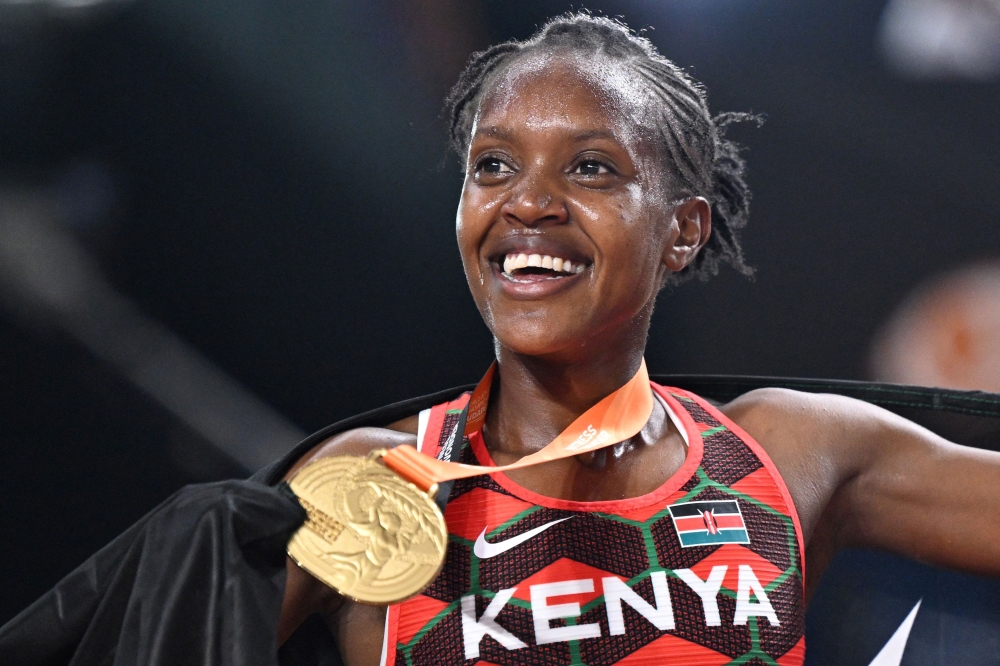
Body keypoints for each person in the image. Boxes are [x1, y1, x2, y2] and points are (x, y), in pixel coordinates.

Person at [3, 12, 1000, 666]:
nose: (529, 205)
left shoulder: (793, 453)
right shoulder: (373, 487)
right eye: (492, 167)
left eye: (593, 170)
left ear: (682, 229)